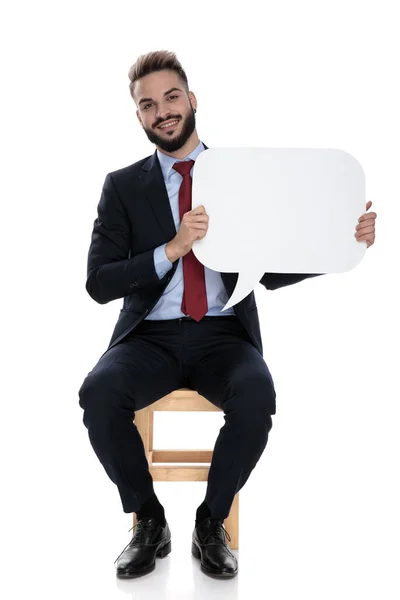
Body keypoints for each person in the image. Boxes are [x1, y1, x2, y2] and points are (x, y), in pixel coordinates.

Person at [78, 50, 377, 580]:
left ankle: (210, 521)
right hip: (149, 337)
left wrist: (340, 242)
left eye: (171, 97)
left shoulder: (242, 176)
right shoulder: (122, 186)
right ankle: (148, 518)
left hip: (223, 334)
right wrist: (171, 248)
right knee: (98, 395)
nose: (162, 111)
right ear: (139, 117)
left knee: (258, 396)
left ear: (192, 101)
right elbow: (99, 283)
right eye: (148, 105)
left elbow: (275, 259)